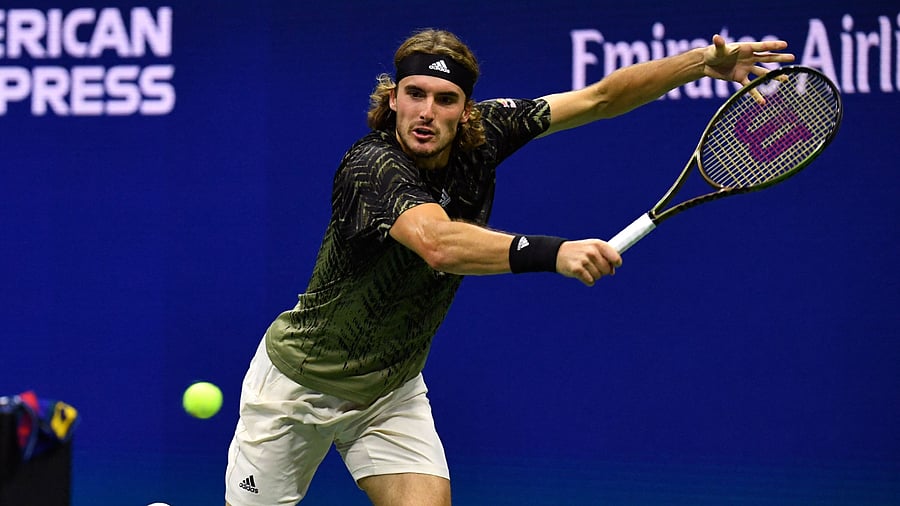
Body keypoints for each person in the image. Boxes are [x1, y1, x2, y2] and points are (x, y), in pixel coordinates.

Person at [225, 28, 794, 506]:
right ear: (392, 98)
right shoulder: (370, 166)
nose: (427, 112)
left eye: (444, 99)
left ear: (465, 108)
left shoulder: (488, 132)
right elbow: (440, 244)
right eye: (414, 94)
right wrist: (555, 251)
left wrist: (699, 63)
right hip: (299, 388)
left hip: (389, 390)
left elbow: (599, 97)